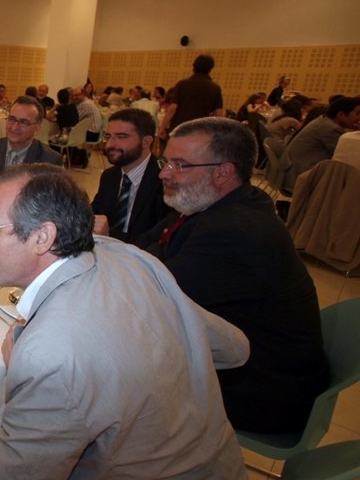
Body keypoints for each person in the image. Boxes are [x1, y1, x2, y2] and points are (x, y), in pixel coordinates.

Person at [0, 164, 250, 480]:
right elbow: (234, 349)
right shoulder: (131, 258)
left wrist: (14, 373)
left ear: (42, 237)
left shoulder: (49, 352)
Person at [141, 118, 329, 433]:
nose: (164, 173)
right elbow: (147, 249)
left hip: (263, 390)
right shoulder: (223, 203)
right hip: (258, 362)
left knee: (109, 377)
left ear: (224, 172)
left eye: (179, 165)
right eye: (166, 161)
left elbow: (151, 297)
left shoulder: (233, 230)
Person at [92, 108, 170, 242]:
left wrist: (110, 235)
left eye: (121, 137)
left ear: (146, 142)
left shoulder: (165, 179)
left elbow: (159, 240)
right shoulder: (110, 176)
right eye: (108, 136)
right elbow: (93, 215)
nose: (110, 144)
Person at [0, 96, 60, 190]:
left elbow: (52, 200)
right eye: (12, 119)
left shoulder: (49, 159)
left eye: (23, 122)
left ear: (37, 128)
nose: (14, 127)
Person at [285, 96, 360, 189]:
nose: (359, 118)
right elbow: (347, 158)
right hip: (301, 176)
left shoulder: (324, 121)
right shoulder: (330, 129)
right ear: (341, 115)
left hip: (295, 170)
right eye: (358, 113)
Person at [158, 54, 223, 140]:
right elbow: (218, 114)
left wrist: (162, 127)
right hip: (200, 131)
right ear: (210, 69)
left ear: (194, 66)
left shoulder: (182, 84)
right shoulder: (215, 88)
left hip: (179, 128)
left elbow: (172, 108)